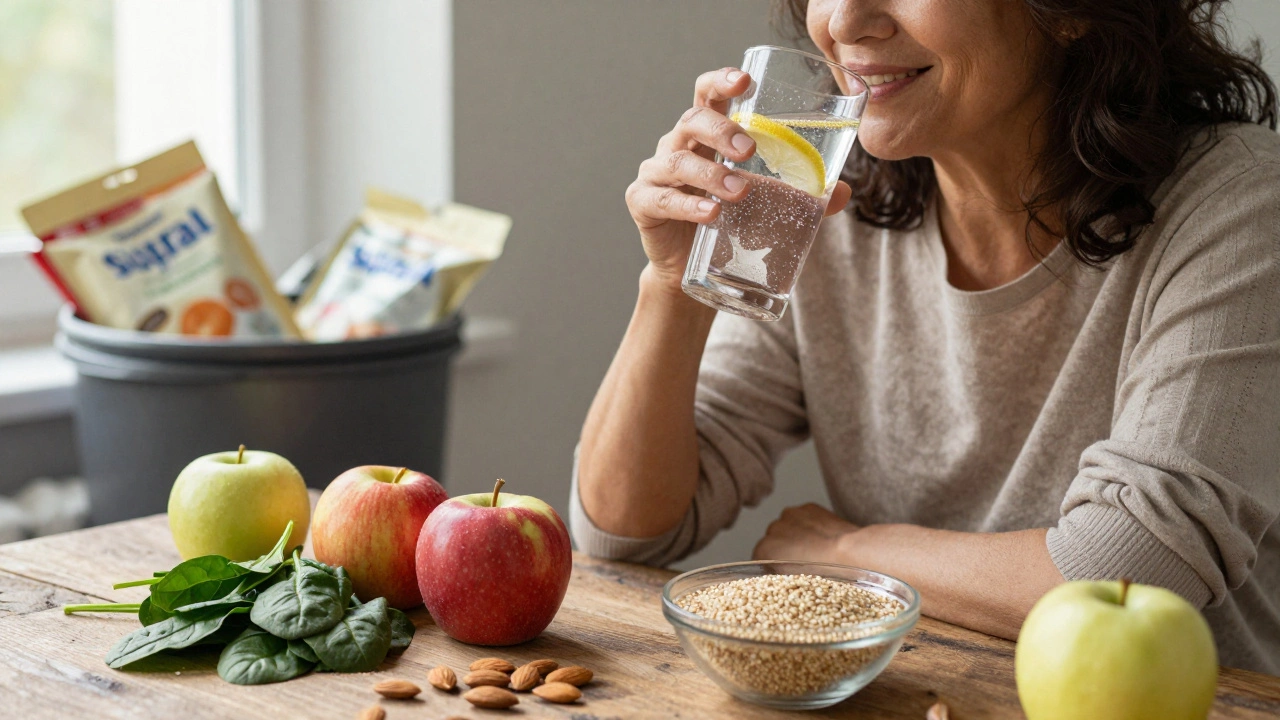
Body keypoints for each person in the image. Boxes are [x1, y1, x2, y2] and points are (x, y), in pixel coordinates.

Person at [571, 0, 1280, 673]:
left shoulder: (1241, 204)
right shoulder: (825, 203)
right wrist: (674, 287)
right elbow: (628, 532)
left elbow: (1129, 569)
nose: (845, 20)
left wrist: (848, 551)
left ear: (1070, 10)